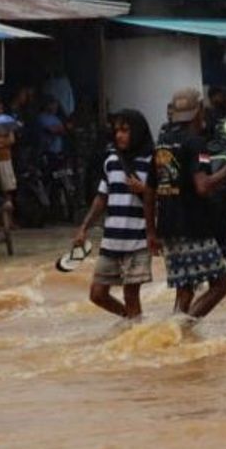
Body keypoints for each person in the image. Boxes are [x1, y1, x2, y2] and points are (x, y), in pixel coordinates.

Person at [150, 88, 226, 321]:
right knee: (220, 286)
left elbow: (149, 189)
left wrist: (151, 231)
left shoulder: (162, 143)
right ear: (199, 112)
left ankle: (172, 336)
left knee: (185, 288)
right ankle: (181, 330)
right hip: (193, 226)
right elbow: (203, 186)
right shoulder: (196, 144)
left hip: (167, 226)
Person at [74, 109, 156, 320]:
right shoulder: (111, 161)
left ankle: (135, 338)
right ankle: (132, 322)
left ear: (137, 132)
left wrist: (145, 190)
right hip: (111, 240)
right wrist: (84, 229)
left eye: (125, 130)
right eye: (116, 130)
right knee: (97, 294)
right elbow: (102, 198)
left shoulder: (152, 161)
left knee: (131, 295)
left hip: (138, 240)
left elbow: (164, 197)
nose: (118, 135)